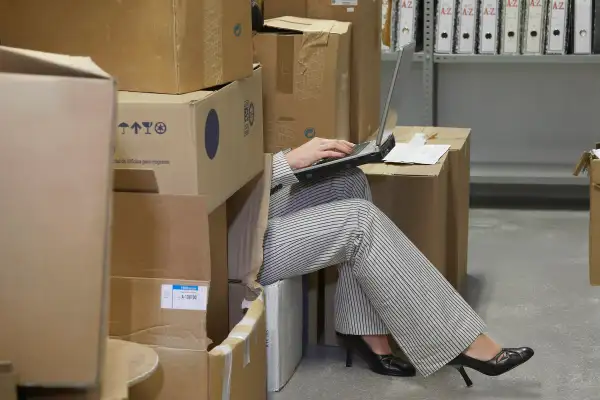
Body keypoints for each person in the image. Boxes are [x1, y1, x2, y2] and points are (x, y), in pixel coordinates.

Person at [258, 138, 534, 385]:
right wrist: (283, 164)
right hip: (228, 246)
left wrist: (282, 161)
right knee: (360, 221)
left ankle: (363, 329)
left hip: (242, 208)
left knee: (346, 178)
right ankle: (460, 342)